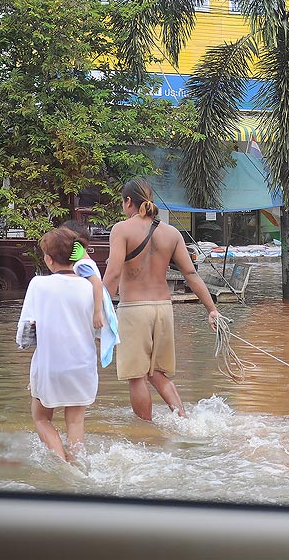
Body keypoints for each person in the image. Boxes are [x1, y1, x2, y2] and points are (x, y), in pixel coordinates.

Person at [102, 178, 219, 421]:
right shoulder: (172, 233)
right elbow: (191, 274)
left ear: (128, 202)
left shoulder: (121, 230)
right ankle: (185, 421)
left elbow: (112, 274)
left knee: (137, 377)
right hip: (164, 309)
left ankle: (146, 432)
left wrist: (97, 308)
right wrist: (212, 309)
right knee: (158, 373)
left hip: (134, 310)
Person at [16, 227, 98, 463]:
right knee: (75, 421)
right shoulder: (91, 287)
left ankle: (62, 463)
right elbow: (102, 329)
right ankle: (76, 464)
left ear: (49, 259)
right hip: (82, 366)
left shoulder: (38, 285)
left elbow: (24, 335)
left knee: (42, 419)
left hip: (49, 365)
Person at [62, 220, 120, 368]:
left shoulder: (82, 265)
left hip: (91, 313)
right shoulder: (85, 262)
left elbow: (96, 284)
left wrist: (97, 312)